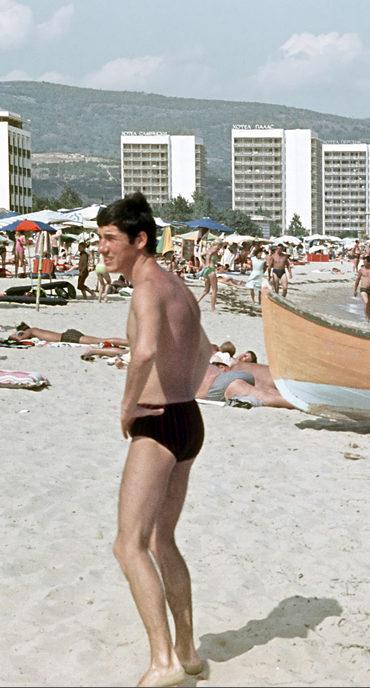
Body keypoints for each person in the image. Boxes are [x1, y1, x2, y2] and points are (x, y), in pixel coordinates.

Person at [97, 192, 212, 687]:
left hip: (158, 423)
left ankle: (164, 663)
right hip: (187, 419)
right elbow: (205, 347)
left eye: (110, 239)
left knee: (129, 545)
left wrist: (129, 405)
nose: (102, 248)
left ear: (139, 240)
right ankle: (187, 652)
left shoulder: (146, 286)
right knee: (162, 539)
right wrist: (184, 390)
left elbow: (143, 352)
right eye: (99, 239)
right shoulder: (176, 285)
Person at [8, 322, 128, 347]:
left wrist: (16, 334)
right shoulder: (35, 330)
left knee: (101, 340)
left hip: (67, 337)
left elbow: (17, 338)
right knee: (100, 340)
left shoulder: (32, 330)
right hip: (68, 335)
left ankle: (129, 343)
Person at [353, 255, 370, 321]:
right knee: (366, 302)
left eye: (365, 262)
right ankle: (366, 318)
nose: (363, 263)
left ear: (369, 262)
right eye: (363, 262)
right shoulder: (361, 270)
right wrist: (355, 290)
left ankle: (368, 319)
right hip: (363, 289)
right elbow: (357, 280)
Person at [196, 241, 220, 312]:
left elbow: (201, 255)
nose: (218, 248)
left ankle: (196, 303)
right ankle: (213, 308)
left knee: (206, 290)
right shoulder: (214, 250)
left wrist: (205, 263)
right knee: (214, 290)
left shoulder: (209, 250)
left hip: (206, 270)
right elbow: (209, 254)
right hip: (211, 270)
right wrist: (208, 262)